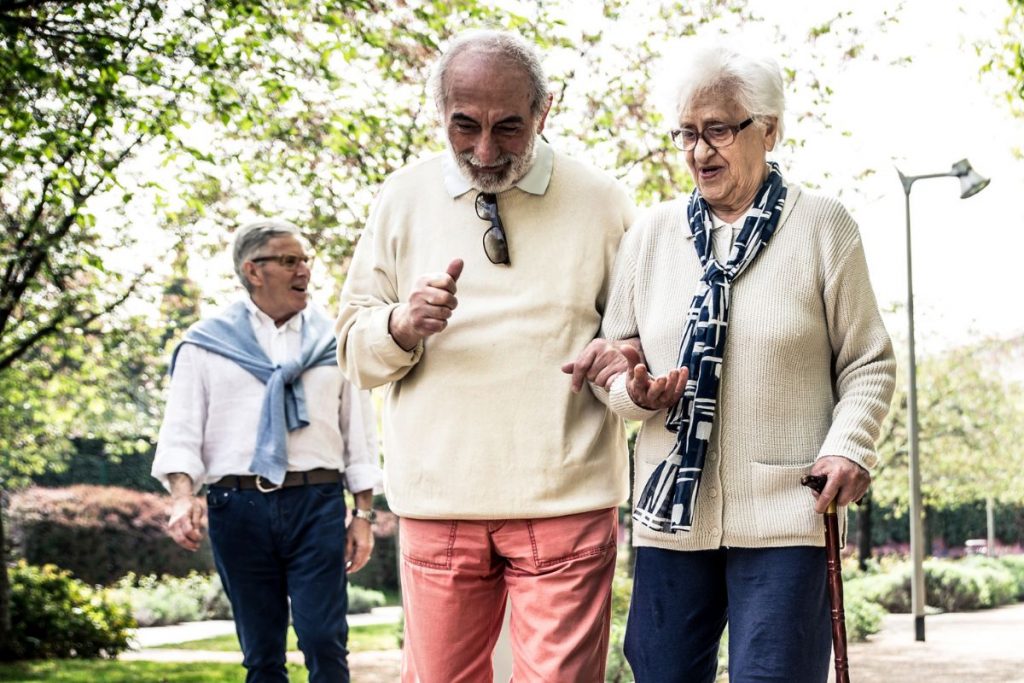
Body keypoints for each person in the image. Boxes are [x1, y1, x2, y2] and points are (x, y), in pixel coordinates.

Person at [335, 29, 635, 683]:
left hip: (567, 499)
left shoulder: (604, 202)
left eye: (509, 127)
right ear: (439, 113)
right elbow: (355, 354)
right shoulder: (401, 198)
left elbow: (634, 344)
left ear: (544, 112)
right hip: (438, 501)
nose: (484, 149)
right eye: (464, 125)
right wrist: (404, 323)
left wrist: (626, 365)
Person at [593, 42, 896, 682]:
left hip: (788, 512)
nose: (701, 152)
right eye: (688, 134)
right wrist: (634, 393)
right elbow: (615, 359)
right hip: (672, 518)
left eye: (720, 131)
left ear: (769, 129)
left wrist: (849, 448)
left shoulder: (822, 226)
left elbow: (868, 360)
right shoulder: (652, 235)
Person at [152, 219, 382, 683]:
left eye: (306, 260)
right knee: (261, 652)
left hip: (315, 502)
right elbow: (181, 431)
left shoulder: (336, 339)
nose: (305, 271)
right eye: (290, 260)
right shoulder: (206, 344)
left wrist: (363, 514)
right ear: (253, 271)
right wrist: (181, 497)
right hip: (237, 506)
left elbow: (359, 433)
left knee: (323, 640)